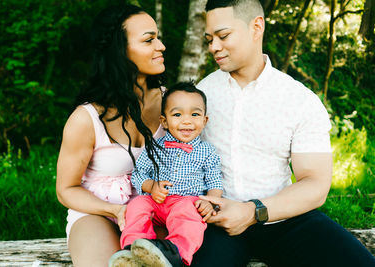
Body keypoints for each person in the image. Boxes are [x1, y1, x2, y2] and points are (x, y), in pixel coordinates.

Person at [190, 0, 375, 266]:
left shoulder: (299, 99)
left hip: (282, 217)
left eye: (223, 36)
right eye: (209, 39)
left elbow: (315, 184)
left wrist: (253, 211)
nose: (213, 47)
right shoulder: (201, 94)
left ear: (256, 27)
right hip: (216, 221)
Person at [55, 4, 167, 266]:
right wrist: (116, 211)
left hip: (155, 212)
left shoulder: (170, 103)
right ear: (120, 51)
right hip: (98, 214)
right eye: (149, 40)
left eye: (158, 37)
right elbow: (65, 190)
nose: (161, 46)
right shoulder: (86, 118)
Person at [109, 82, 223, 267]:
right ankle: (133, 248)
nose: (186, 121)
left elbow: (214, 181)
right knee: (137, 205)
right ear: (164, 121)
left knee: (189, 214)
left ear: (204, 120)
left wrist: (209, 202)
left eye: (195, 114)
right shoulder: (154, 147)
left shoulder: (207, 152)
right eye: (177, 114)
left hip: (186, 201)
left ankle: (174, 253)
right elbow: (138, 174)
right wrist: (151, 186)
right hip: (156, 200)